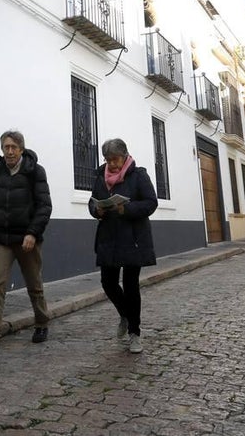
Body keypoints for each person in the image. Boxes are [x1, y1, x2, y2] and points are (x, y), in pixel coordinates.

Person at [0, 130, 52, 358]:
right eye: (6, 147)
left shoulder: (35, 171)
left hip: (27, 239)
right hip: (1, 239)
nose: (10, 151)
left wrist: (33, 233)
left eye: (14, 147)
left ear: (21, 149)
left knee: (34, 284)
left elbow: (45, 206)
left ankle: (42, 322)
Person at [88, 138, 158, 354]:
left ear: (125, 155)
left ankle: (134, 333)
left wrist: (126, 210)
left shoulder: (139, 175)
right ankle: (125, 314)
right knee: (107, 282)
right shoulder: (100, 176)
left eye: (116, 159)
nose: (113, 164)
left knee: (130, 285)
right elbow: (93, 201)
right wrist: (96, 210)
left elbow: (151, 202)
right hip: (109, 237)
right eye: (108, 160)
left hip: (132, 239)